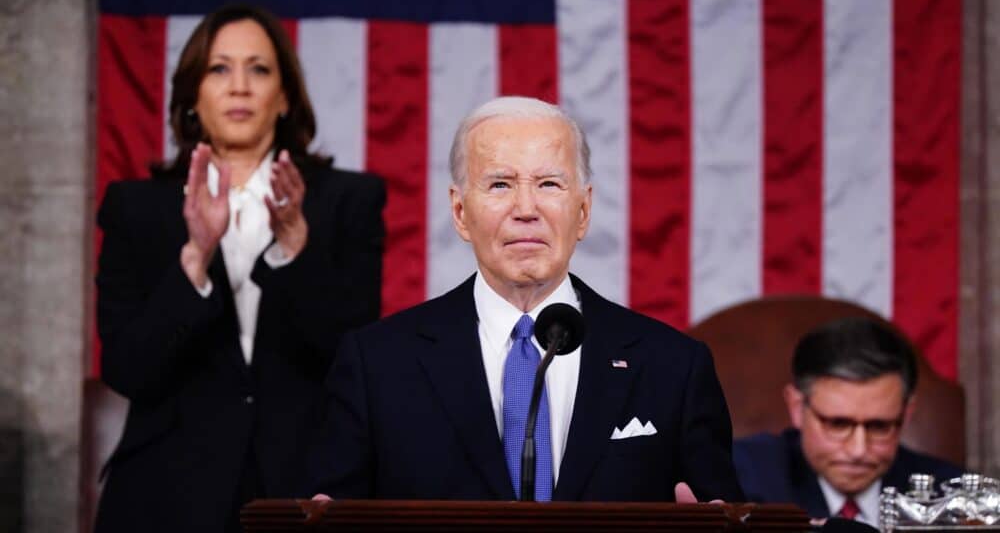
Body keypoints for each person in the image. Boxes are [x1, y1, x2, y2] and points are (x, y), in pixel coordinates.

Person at [311, 96, 743, 503]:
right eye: (500, 184)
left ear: (583, 211)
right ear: (460, 213)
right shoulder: (378, 365)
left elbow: (722, 513)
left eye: (549, 184)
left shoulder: (672, 368)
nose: (526, 208)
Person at [94, 4, 385, 533]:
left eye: (259, 68)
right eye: (219, 68)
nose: (240, 86)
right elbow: (127, 369)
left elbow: (354, 360)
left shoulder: (348, 201)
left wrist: (295, 249)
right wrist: (194, 261)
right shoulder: (135, 208)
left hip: (303, 492)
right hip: (164, 495)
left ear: (285, 97)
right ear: (192, 98)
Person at [733, 318, 962, 527]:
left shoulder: (953, 499)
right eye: (838, 424)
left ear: (906, 413)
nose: (858, 451)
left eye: (879, 427)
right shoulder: (741, 480)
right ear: (797, 408)